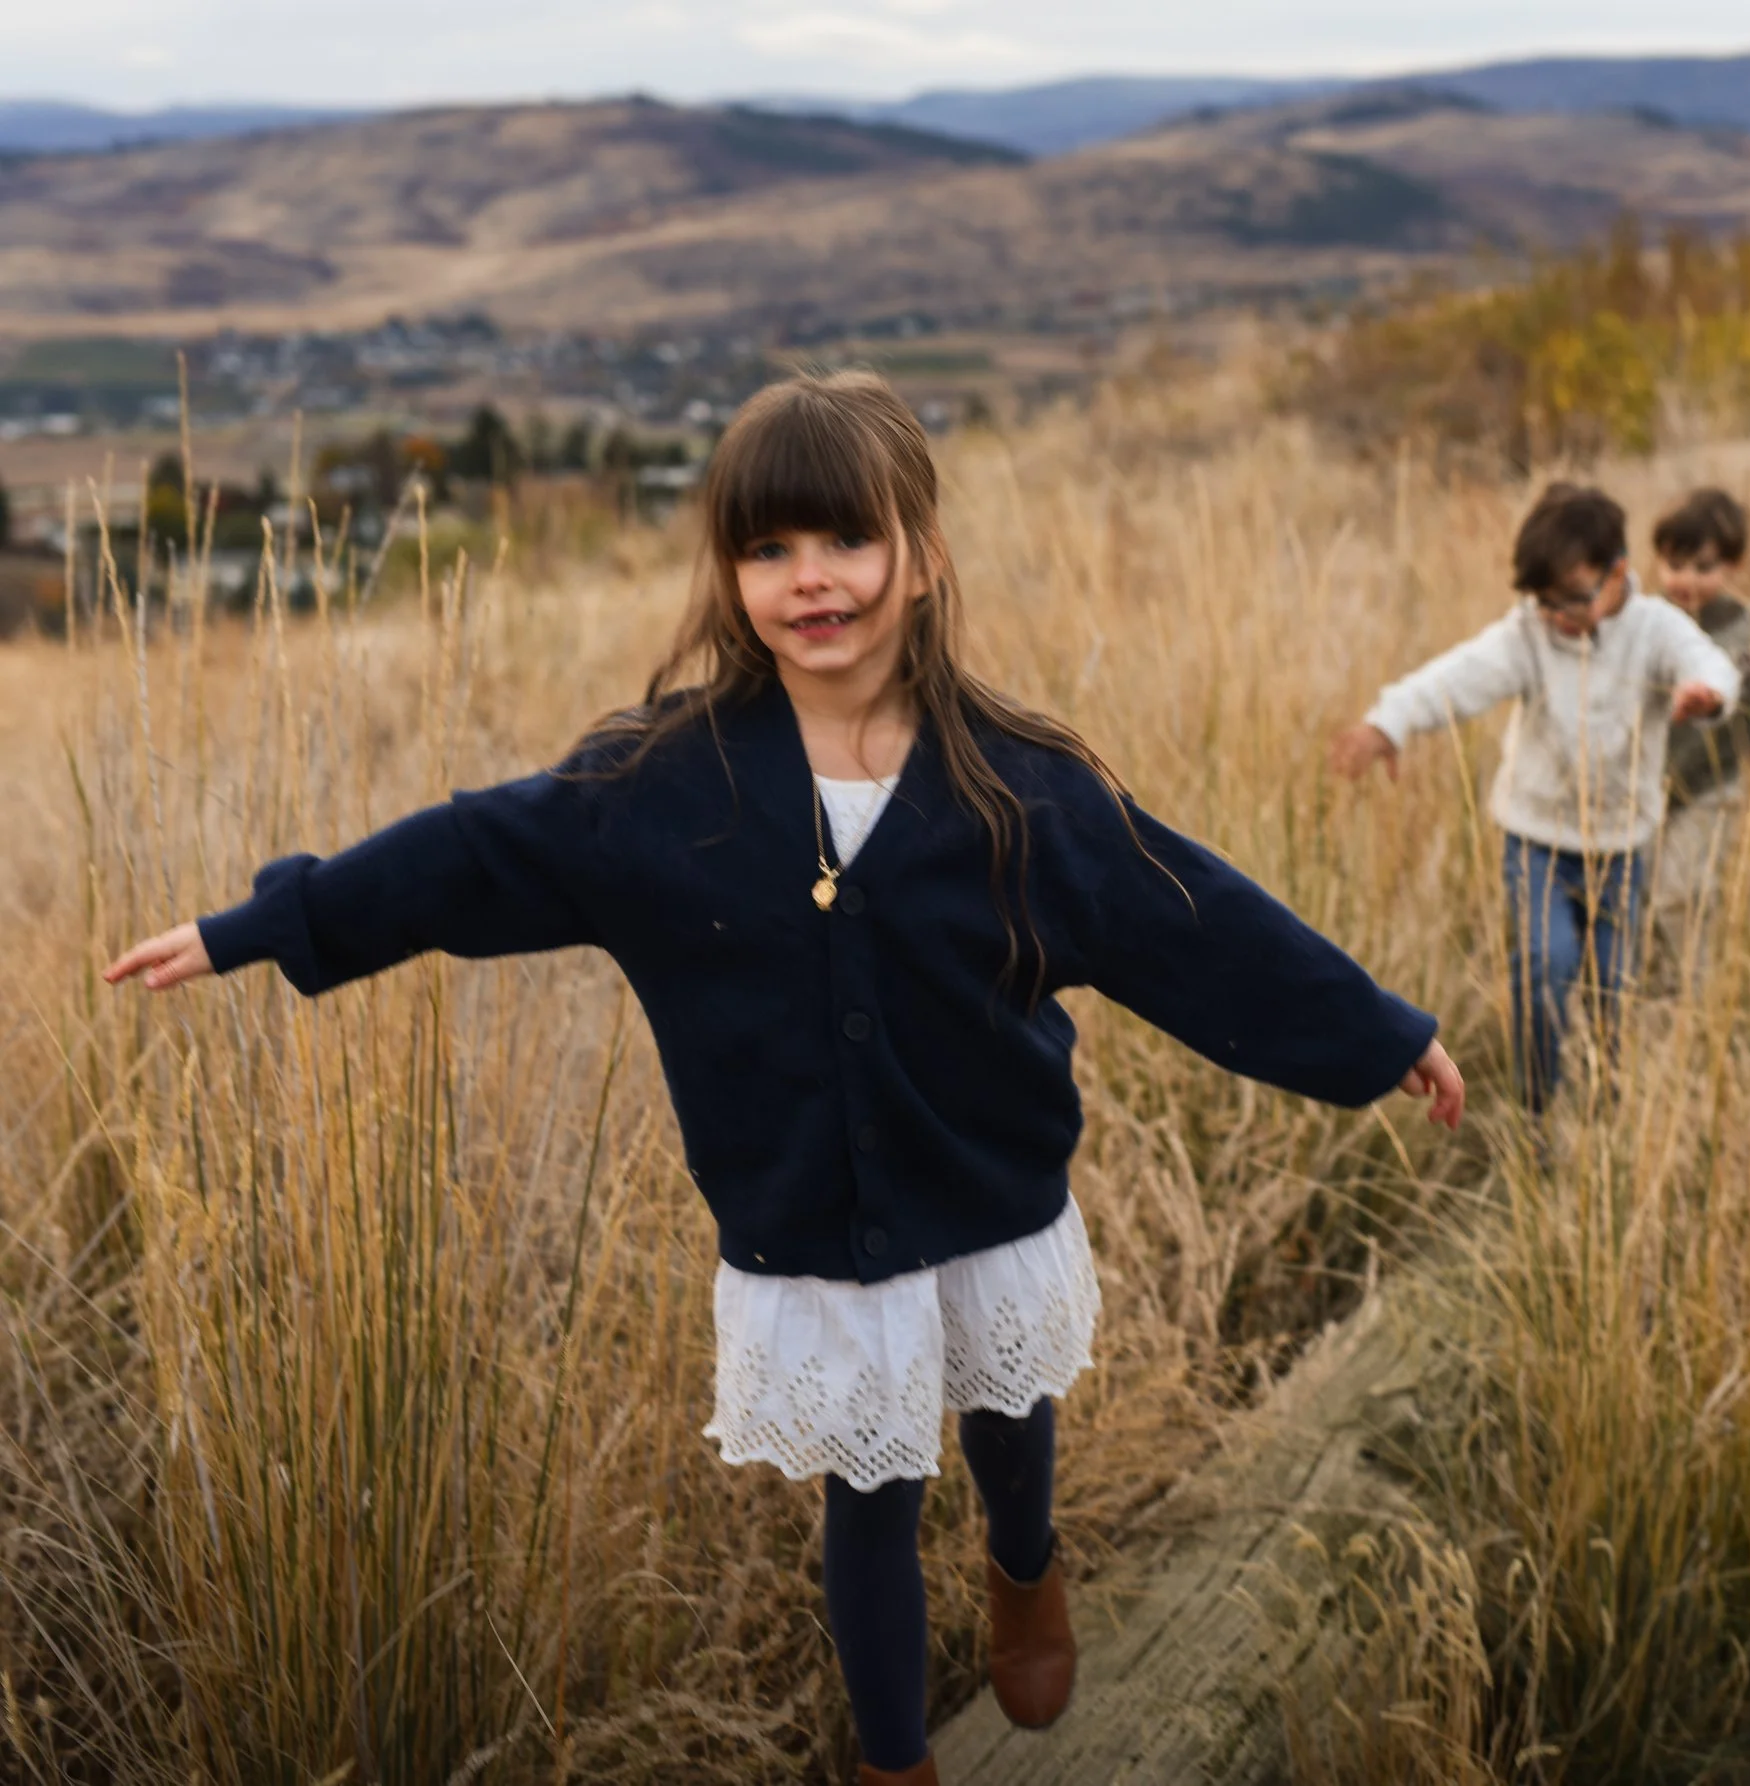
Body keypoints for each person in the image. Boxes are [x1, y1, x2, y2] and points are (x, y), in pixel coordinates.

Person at [104, 371, 1465, 1786]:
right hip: (810, 1225)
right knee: (870, 1493)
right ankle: (895, 1763)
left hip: (991, 1188)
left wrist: (1376, 1031)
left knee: (1007, 1411)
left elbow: (1203, 925)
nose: (810, 581)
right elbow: (469, 856)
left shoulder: (1023, 789)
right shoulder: (664, 790)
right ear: (731, 571)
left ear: (921, 555)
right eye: (768, 550)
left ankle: (1023, 1560)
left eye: (846, 542)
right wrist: (267, 923)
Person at [1331, 482, 1739, 1112]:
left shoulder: (1656, 628)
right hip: (1539, 840)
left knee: (1612, 984)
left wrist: (1707, 695)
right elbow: (1458, 675)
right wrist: (1390, 722)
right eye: (1543, 601)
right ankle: (1538, 1106)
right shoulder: (1529, 633)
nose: (1556, 616)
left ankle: (1606, 1103)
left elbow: (1710, 663)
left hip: (1623, 845)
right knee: (1546, 967)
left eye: (1571, 600)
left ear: (1617, 573)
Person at [1649, 487, 1750, 957]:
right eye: (1674, 566)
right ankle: (1648, 990)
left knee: (1683, 894)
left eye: (1703, 567)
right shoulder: (1647, 622)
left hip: (1714, 783)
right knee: (1636, 900)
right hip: (1645, 785)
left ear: (1733, 566)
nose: (1686, 580)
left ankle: (1689, 990)